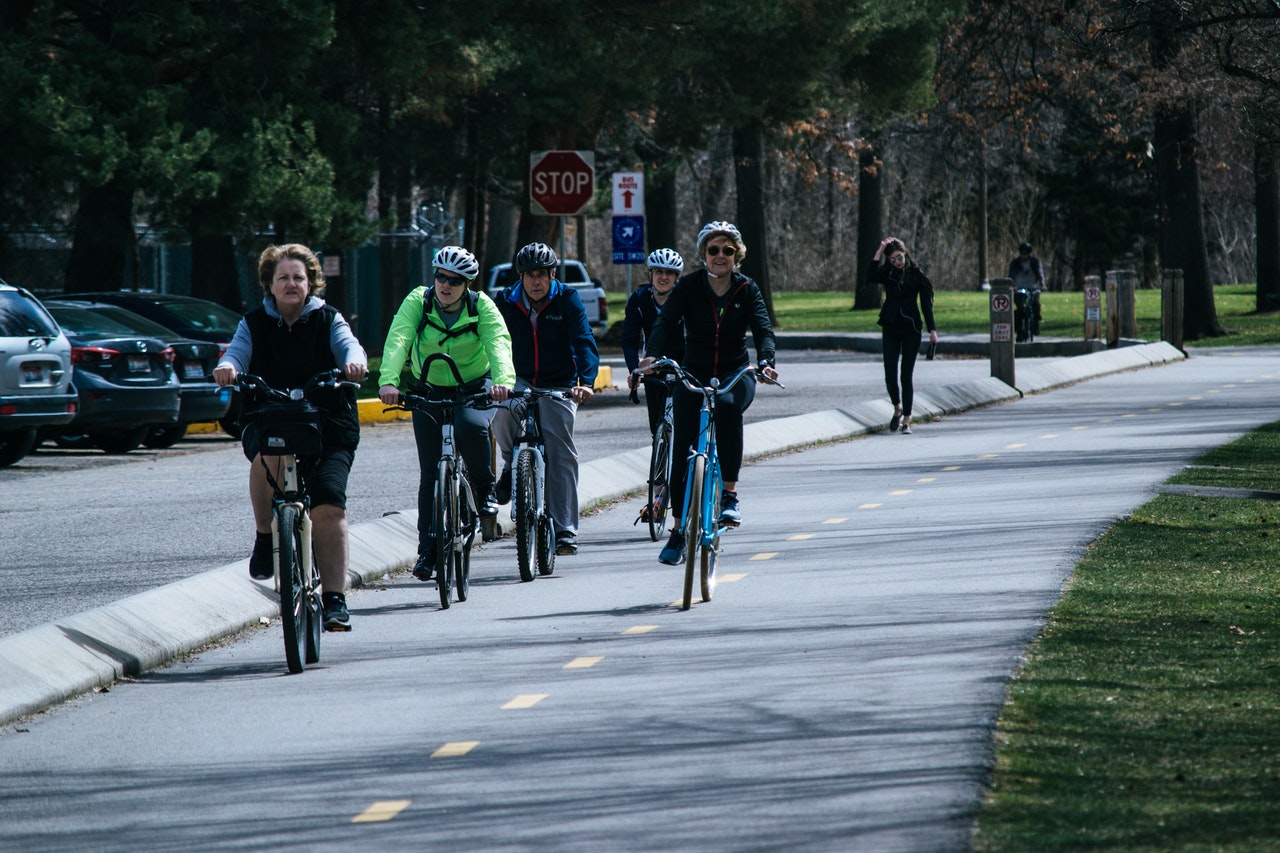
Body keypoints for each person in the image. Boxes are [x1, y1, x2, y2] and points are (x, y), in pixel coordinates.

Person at [214, 243, 368, 631]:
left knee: (328, 507)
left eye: (299, 277)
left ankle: (335, 599)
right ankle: (266, 536)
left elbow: (349, 345)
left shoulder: (328, 318)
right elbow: (236, 353)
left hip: (329, 425)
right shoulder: (253, 322)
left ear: (312, 283)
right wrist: (228, 367)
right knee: (267, 457)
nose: (291, 284)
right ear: (270, 284)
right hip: (270, 419)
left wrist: (354, 363)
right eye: (283, 277)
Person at [641, 221, 778, 566]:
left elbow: (763, 328)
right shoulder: (688, 287)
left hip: (735, 373)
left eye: (727, 250)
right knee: (684, 445)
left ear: (737, 255)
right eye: (714, 250)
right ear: (703, 254)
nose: (720, 256)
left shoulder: (747, 289)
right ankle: (676, 532)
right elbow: (665, 322)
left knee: (730, 409)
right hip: (694, 372)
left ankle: (729, 497)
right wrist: (652, 355)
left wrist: (765, 361)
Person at [378, 246, 515, 581]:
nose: (446, 285)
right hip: (428, 388)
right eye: (441, 276)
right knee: (429, 474)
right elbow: (399, 338)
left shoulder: (481, 306)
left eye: (455, 280)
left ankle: (484, 491)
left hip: (473, 386)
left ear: (467, 284)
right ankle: (426, 551)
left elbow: (498, 342)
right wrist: (388, 381)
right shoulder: (418, 302)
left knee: (471, 428)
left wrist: (503, 381)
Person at [490, 242, 599, 556]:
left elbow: (583, 341)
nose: (535, 281)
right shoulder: (505, 301)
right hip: (518, 377)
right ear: (520, 277)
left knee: (560, 451)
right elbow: (494, 342)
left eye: (542, 274)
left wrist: (586, 383)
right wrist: (496, 381)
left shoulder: (567, 299)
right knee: (503, 409)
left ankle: (564, 529)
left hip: (559, 381)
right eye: (529, 275)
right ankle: (512, 464)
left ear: (553, 274)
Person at [869, 236, 937, 435]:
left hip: (911, 328)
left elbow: (926, 305)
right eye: (892, 260)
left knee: (905, 375)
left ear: (905, 253)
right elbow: (870, 276)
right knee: (889, 372)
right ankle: (897, 407)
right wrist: (879, 251)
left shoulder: (916, 275)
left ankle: (907, 419)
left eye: (899, 258)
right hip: (890, 326)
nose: (897, 262)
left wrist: (933, 331)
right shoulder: (887, 274)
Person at [1007, 241, 1045, 341]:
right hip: (1019, 288)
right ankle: (1019, 331)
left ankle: (1035, 323)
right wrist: (1013, 286)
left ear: (1029, 254)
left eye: (1025, 253)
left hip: (1032, 287)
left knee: (1035, 305)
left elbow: (1040, 273)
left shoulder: (1035, 262)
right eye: (1022, 253)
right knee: (1020, 309)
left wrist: (1042, 284)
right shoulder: (1015, 263)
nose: (1023, 256)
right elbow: (1011, 275)